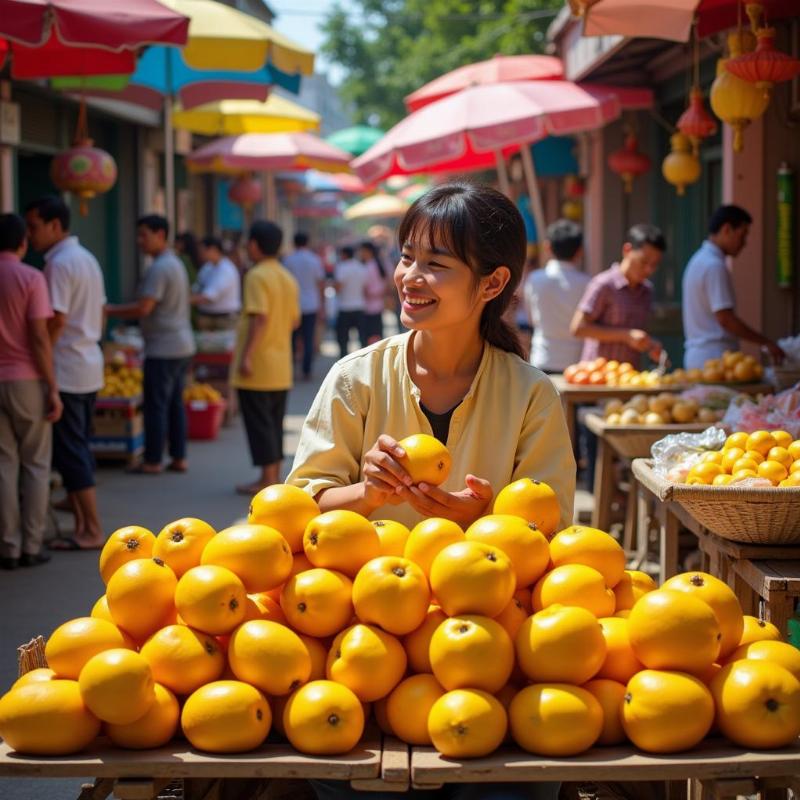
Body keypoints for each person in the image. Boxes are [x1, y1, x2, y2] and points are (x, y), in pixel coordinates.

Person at [288, 184, 571, 800]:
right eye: (407, 256)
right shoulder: (355, 378)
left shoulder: (531, 394)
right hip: (362, 643)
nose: (411, 277)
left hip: (487, 649)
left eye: (436, 264)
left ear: (491, 285)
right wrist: (365, 493)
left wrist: (488, 518)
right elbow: (300, 511)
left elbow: (554, 536)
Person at [25, 195, 105, 551]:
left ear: (55, 225)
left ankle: (90, 528)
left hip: (68, 367)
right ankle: (82, 517)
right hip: (88, 364)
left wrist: (40, 353)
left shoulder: (59, 264)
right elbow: (99, 311)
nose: (31, 235)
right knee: (78, 447)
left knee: (71, 451)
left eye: (35, 227)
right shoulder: (85, 258)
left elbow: (55, 320)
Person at [106, 215, 195, 474]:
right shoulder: (174, 263)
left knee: (156, 405)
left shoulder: (160, 268)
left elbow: (144, 307)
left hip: (164, 347)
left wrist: (109, 311)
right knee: (174, 403)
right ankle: (179, 457)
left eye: (144, 235)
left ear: (160, 234)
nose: (139, 241)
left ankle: (153, 460)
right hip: (180, 344)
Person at [0, 213, 61, 570]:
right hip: (26, 380)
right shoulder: (31, 277)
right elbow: (39, 337)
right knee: (36, 464)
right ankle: (31, 545)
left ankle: (7, 546)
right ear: (22, 242)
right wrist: (52, 387)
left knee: (4, 465)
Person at [232, 220, 300, 496]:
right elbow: (294, 322)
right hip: (280, 363)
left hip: (259, 363)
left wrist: (246, 356)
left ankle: (267, 479)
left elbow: (260, 317)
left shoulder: (257, 275)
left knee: (259, 424)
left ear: (254, 245)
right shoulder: (286, 276)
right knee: (273, 422)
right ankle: (271, 476)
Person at [682, 205, 785, 369]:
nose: (744, 243)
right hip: (714, 358)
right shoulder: (713, 266)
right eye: (742, 235)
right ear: (727, 229)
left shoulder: (699, 260)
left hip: (702, 356)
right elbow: (726, 319)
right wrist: (765, 342)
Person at [570, 223, 666, 369]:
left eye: (654, 265)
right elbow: (578, 328)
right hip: (597, 377)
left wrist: (650, 344)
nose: (649, 270)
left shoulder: (647, 291)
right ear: (627, 250)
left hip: (630, 378)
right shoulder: (603, 284)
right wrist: (626, 335)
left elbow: (636, 334)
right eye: (644, 262)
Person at [525, 219, 590, 373]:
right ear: (580, 250)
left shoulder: (535, 279)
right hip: (578, 363)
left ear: (547, 247)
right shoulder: (588, 283)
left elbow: (530, 319)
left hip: (543, 357)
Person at [284, 231, 325, 380]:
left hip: (292, 305)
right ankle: (306, 371)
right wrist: (322, 305)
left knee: (291, 339)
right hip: (311, 304)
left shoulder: (288, 260)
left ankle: (290, 370)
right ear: (307, 243)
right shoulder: (314, 260)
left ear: (294, 243)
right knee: (308, 338)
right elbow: (320, 284)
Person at [191, 235, 242, 331]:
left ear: (213, 249)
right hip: (207, 317)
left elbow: (209, 297)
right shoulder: (207, 267)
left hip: (224, 320)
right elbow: (196, 288)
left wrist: (184, 301)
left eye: (203, 250)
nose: (200, 253)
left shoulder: (226, 269)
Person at [333, 244, 367, 357]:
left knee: (343, 339)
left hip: (344, 307)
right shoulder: (361, 267)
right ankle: (364, 360)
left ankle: (343, 361)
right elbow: (365, 286)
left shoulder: (342, 267)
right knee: (362, 338)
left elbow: (338, 288)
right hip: (360, 306)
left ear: (344, 254)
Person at [358, 240, 390, 345]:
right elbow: (387, 283)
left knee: (369, 336)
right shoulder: (379, 264)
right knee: (377, 335)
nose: (360, 253)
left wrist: (370, 293)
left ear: (368, 251)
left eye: (361, 251)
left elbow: (365, 287)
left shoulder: (368, 266)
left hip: (367, 307)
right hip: (378, 305)